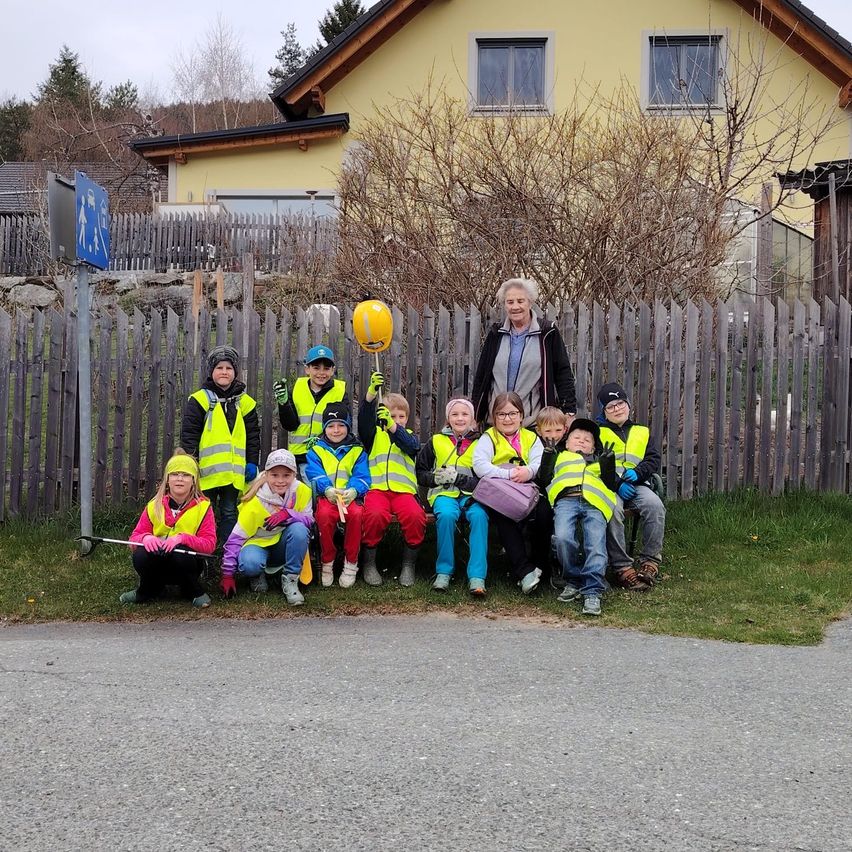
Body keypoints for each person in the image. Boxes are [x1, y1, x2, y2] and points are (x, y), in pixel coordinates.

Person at [538, 419, 620, 617]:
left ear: (593, 446)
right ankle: (573, 579)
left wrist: (608, 465)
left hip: (594, 503)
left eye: (587, 440)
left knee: (595, 544)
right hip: (566, 501)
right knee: (563, 538)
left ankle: (592, 590)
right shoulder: (560, 457)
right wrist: (547, 458)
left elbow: (612, 484)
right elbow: (543, 478)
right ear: (566, 442)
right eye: (577, 438)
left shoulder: (599, 460)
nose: (582, 441)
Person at [180, 345, 259, 549]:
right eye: (219, 368)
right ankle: (203, 549)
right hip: (206, 472)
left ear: (235, 372)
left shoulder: (246, 403)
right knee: (204, 511)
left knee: (229, 511)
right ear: (211, 371)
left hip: (233, 474)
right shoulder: (200, 400)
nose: (224, 372)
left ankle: (228, 550)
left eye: (229, 368)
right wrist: (191, 464)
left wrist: (252, 462)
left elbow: (252, 436)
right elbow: (189, 435)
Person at [472, 391, 551, 595]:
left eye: (512, 413)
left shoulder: (531, 437)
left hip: (527, 489)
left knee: (544, 513)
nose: (507, 419)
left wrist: (528, 471)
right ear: (494, 417)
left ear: (521, 416)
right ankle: (524, 571)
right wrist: (506, 475)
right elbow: (479, 465)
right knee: (504, 515)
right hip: (500, 491)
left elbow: (538, 462)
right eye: (501, 414)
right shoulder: (489, 438)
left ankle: (540, 566)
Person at [471, 277, 576, 428]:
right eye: (510, 302)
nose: (515, 307)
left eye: (521, 301)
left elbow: (563, 373)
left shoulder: (547, 332)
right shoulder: (496, 333)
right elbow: (482, 376)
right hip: (496, 422)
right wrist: (475, 412)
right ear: (504, 305)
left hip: (532, 422)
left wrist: (569, 411)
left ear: (530, 302)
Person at [120, 450, 216, 608]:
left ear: (193, 480)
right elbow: (134, 539)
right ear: (167, 480)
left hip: (187, 563)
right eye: (174, 474)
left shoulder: (204, 507)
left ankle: (192, 590)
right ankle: (147, 590)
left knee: (181, 553)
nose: (179, 479)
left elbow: (209, 544)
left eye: (185, 475)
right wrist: (146, 538)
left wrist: (181, 539)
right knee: (141, 554)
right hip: (158, 561)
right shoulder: (153, 506)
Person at [219, 449, 313, 606]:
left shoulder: (302, 490)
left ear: (294, 475)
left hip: (284, 543)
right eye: (275, 475)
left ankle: (290, 579)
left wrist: (288, 514)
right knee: (250, 563)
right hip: (258, 544)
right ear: (266, 475)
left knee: (300, 529)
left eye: (286, 475)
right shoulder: (255, 502)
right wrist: (227, 574)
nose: (280, 481)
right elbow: (235, 539)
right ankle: (256, 574)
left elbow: (310, 520)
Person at [357, 372, 426, 587]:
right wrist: (370, 395)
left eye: (401, 416)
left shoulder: (408, 436)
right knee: (374, 515)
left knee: (415, 517)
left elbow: (412, 446)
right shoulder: (374, 435)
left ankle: (408, 565)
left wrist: (394, 427)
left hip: (403, 491)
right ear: (382, 416)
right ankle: (369, 564)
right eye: (391, 416)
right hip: (377, 490)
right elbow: (364, 422)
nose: (396, 420)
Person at [596, 382, 666, 590]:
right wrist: (617, 484)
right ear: (604, 412)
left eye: (620, 403)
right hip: (609, 486)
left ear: (628, 405)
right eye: (611, 406)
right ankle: (622, 567)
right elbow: (596, 463)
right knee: (613, 510)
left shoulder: (641, 431)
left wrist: (637, 473)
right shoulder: (597, 433)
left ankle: (650, 561)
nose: (617, 409)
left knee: (655, 506)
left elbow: (653, 459)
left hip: (637, 483)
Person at [416, 398, 488, 595]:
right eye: (455, 414)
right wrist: (434, 479)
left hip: (472, 495)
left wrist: (461, 479)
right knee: (446, 516)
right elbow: (420, 472)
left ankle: (477, 576)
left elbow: (487, 480)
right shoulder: (436, 440)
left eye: (465, 414)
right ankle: (443, 572)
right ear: (448, 418)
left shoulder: (482, 442)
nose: (460, 418)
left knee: (479, 516)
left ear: (472, 418)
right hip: (443, 494)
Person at [305, 405, 370, 588]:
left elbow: (363, 476)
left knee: (357, 516)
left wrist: (354, 490)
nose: (336, 430)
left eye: (340, 425)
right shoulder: (316, 450)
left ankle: (351, 562)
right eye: (331, 425)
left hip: (350, 498)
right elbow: (314, 473)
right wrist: (326, 489)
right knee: (324, 516)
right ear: (324, 428)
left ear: (348, 427)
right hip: (328, 497)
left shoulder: (357, 450)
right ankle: (327, 560)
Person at [274, 345, 349, 479]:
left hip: (328, 455)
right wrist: (284, 404)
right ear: (307, 369)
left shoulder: (340, 390)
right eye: (316, 368)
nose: (321, 372)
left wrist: (321, 440)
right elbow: (290, 425)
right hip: (300, 456)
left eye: (326, 368)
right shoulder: (297, 388)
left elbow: (344, 425)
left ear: (333, 370)